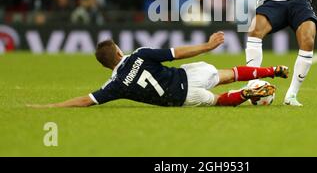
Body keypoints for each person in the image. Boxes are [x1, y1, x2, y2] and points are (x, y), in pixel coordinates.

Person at [27, 32, 289, 108]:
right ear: (119, 52)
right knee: (230, 74)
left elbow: (87, 100)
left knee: (220, 101)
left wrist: (50, 107)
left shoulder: (115, 85)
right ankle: (271, 70)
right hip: (188, 75)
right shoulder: (140, 55)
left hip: (180, 98)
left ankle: (244, 96)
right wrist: (208, 46)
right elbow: (177, 53)